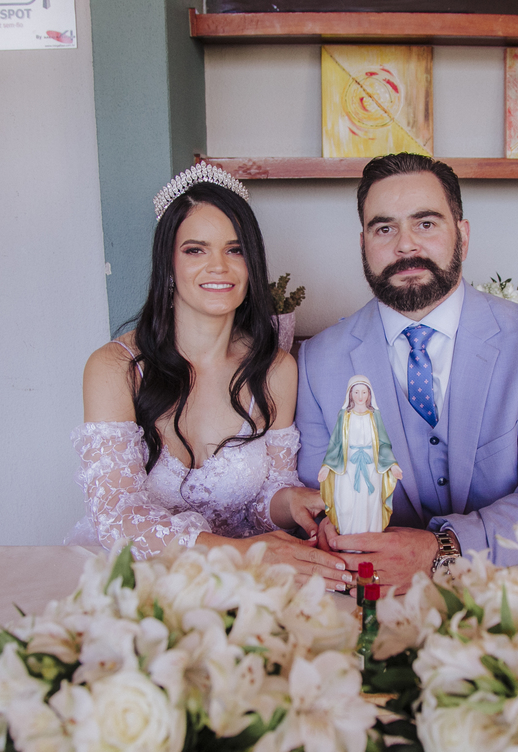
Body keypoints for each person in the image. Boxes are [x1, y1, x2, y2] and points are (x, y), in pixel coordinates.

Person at [295, 153, 518, 590]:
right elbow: (319, 495)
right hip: (371, 596)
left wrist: (443, 549)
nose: (406, 246)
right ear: (363, 244)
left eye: (425, 223)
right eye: (384, 229)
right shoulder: (316, 361)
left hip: (505, 592)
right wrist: (328, 527)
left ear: (463, 235)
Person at [70, 163, 350, 589]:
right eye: (195, 250)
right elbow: (117, 515)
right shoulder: (115, 368)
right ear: (167, 263)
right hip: (140, 583)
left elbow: (263, 499)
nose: (218, 266)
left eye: (234, 250)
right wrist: (242, 554)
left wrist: (290, 500)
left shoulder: (276, 370)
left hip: (243, 588)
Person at [318, 375, 402, 536]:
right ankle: (347, 540)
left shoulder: (374, 415)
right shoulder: (344, 416)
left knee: (370, 504)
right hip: (347, 467)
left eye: (364, 392)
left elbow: (384, 443)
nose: (360, 396)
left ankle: (370, 540)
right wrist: (327, 466)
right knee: (345, 504)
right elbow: (335, 443)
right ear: (350, 394)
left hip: (371, 468)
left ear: (369, 394)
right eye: (356, 392)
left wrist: (393, 465)